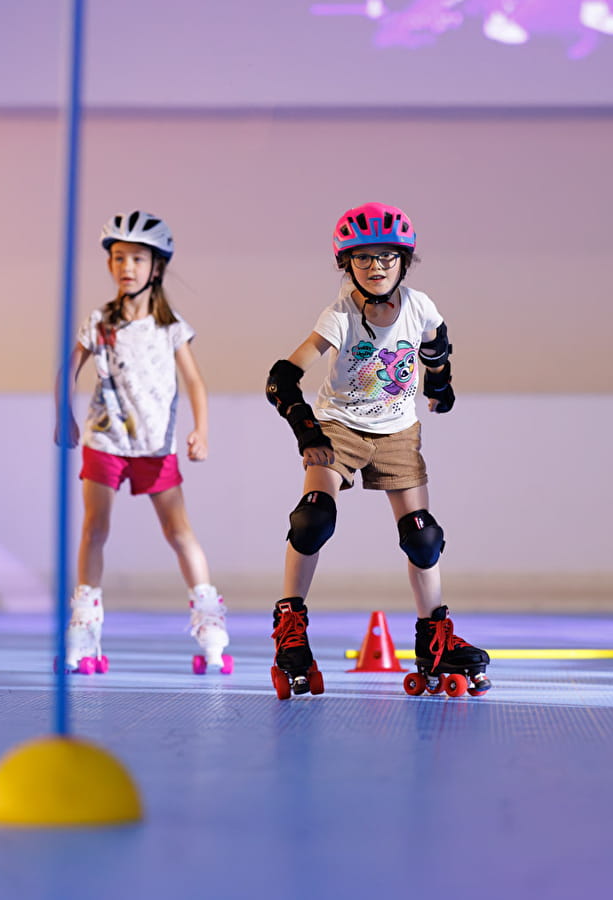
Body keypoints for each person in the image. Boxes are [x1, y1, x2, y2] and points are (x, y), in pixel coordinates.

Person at [263, 202, 490, 699]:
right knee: (313, 519)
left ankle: (435, 639)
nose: (376, 267)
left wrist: (441, 384)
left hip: (397, 432)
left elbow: (436, 344)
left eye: (387, 257)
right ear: (347, 265)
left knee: (423, 536)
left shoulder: (421, 305)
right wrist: (307, 432)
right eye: (362, 259)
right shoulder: (339, 316)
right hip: (339, 427)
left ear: (404, 261)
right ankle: (290, 633)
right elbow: (282, 377)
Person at [54, 210, 230, 675]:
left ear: (157, 266)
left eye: (137, 258)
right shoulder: (100, 322)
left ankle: (210, 623)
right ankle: (84, 628)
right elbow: (67, 371)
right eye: (117, 257)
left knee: (178, 532)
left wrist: (201, 429)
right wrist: (64, 415)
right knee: (95, 529)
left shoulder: (170, 327)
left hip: (156, 445)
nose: (126, 266)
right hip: (106, 440)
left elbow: (195, 382)